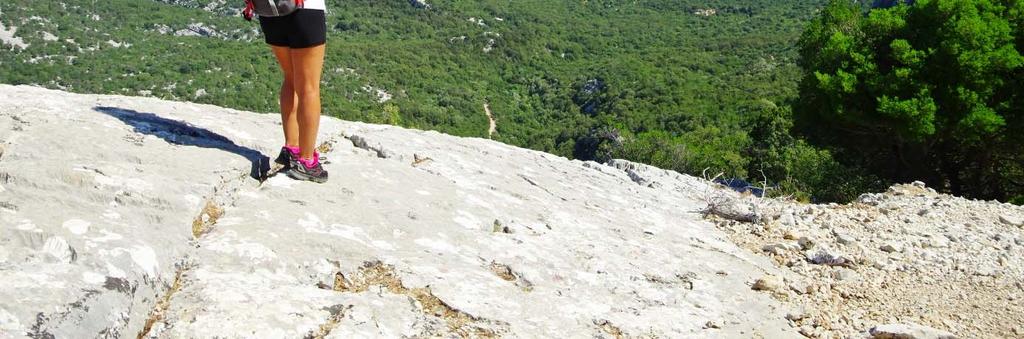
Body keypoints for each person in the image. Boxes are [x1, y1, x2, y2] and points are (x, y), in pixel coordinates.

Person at [257, 0, 329, 183]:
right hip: (306, 11)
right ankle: (306, 161)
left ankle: (292, 148)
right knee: (309, 88)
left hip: (270, 12)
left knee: (290, 78)